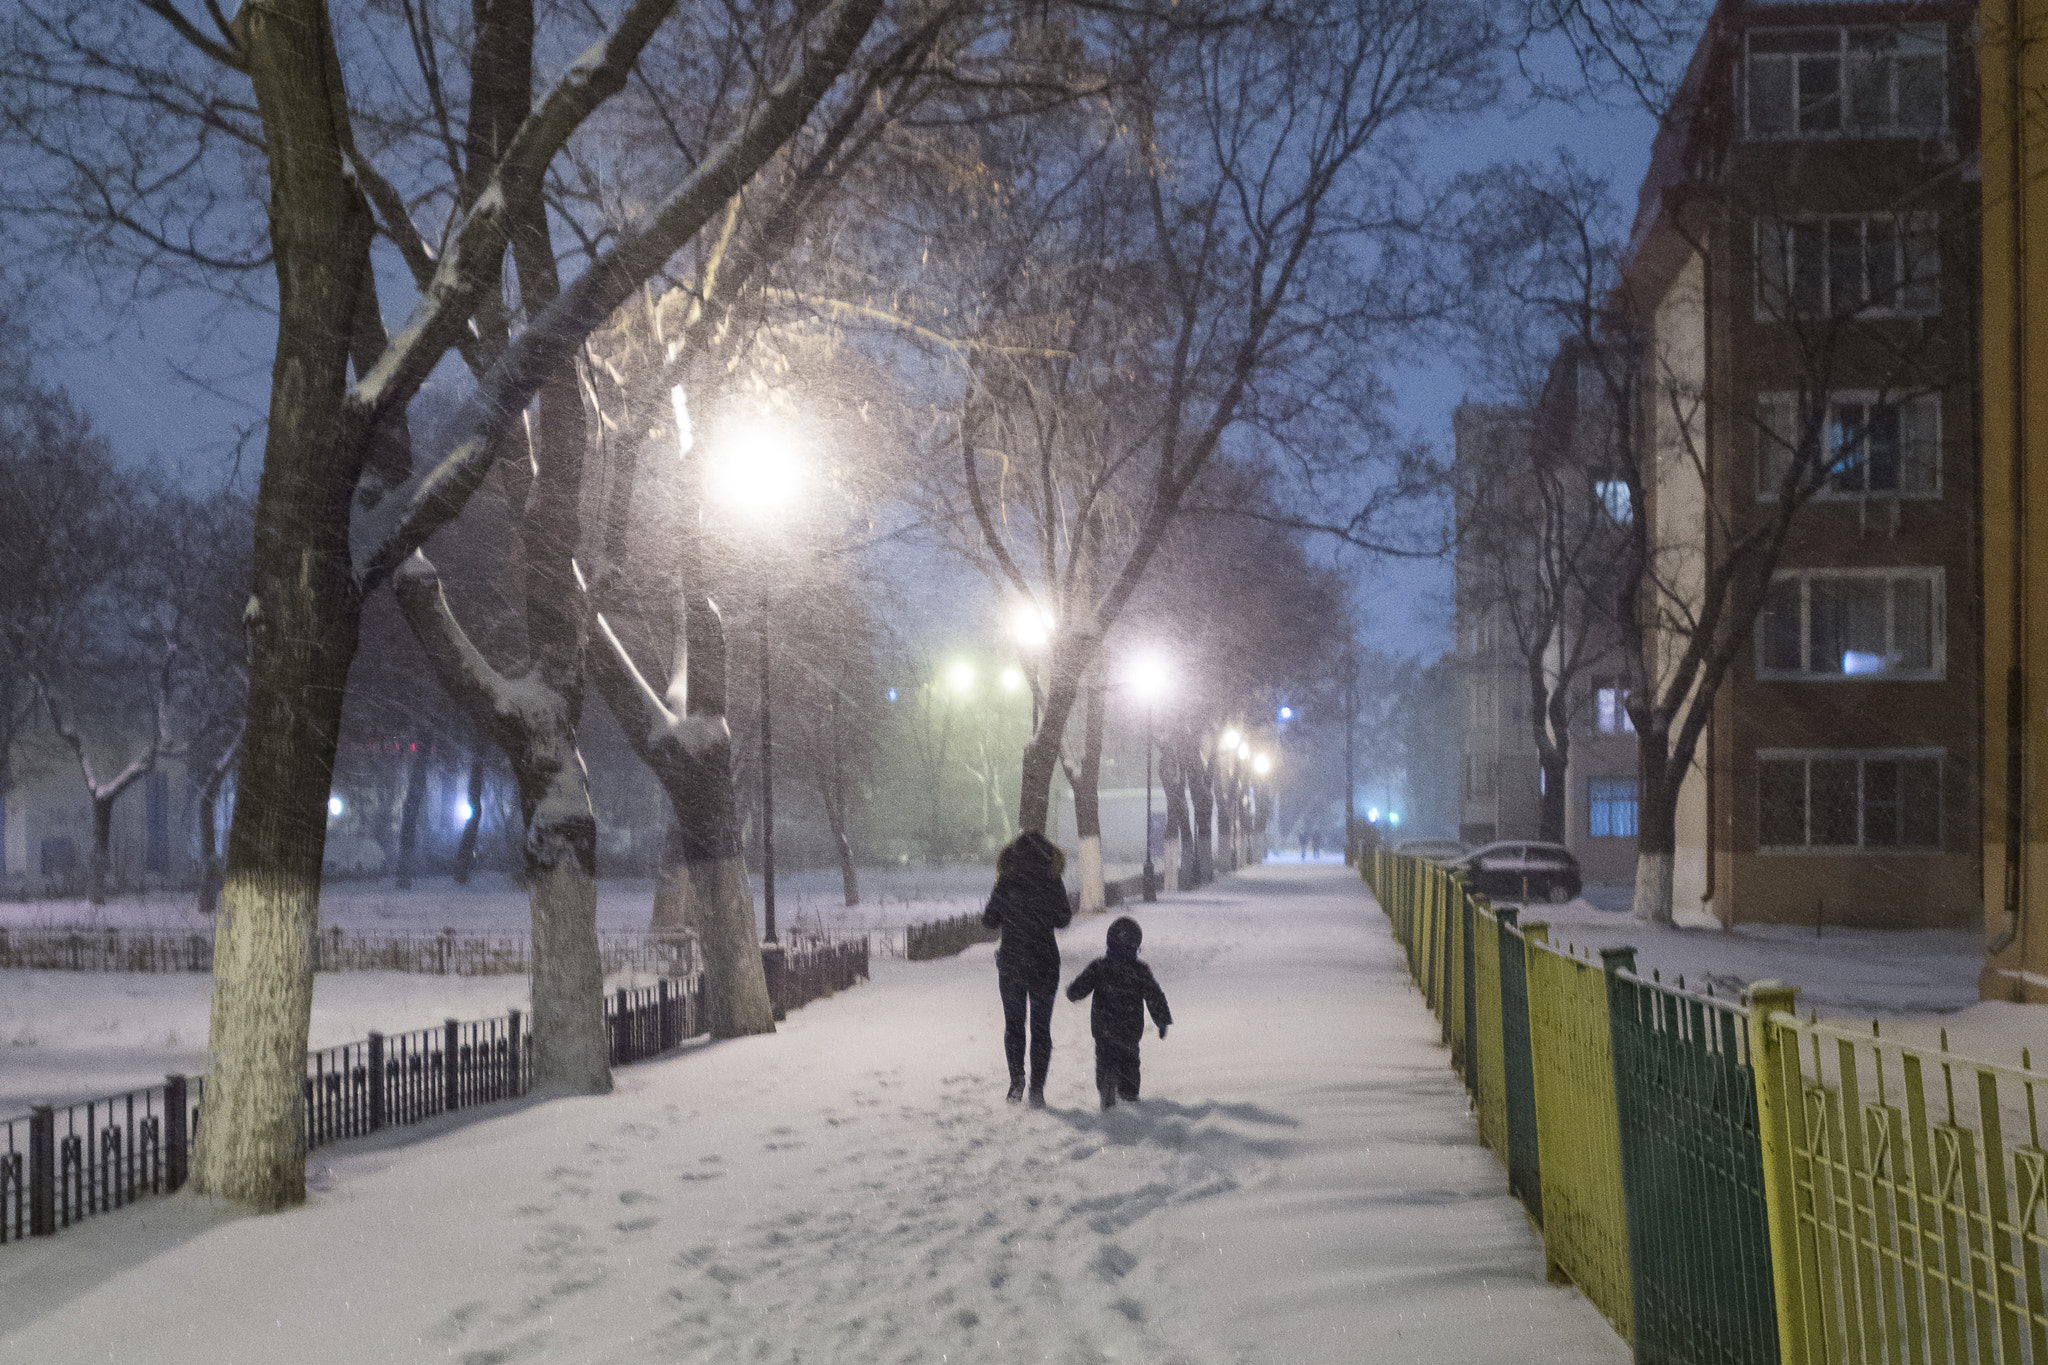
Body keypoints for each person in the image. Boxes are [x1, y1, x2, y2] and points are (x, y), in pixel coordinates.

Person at [981, 830, 1073, 1106]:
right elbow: (1063, 918)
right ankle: (1037, 1089)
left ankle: (1016, 1081)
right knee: (1041, 1028)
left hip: (1012, 963)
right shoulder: (1051, 880)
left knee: (1014, 1025)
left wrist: (1010, 910)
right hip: (1044, 963)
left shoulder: (1007, 881)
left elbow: (989, 921)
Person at [1065, 916, 1172, 1110]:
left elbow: (1079, 988)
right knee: (1130, 1063)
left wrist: (1072, 992)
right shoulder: (1139, 970)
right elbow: (1154, 996)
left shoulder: (1099, 967)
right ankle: (1129, 1095)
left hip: (1104, 1028)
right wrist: (1162, 1020)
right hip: (1129, 1030)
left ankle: (1107, 1085)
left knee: (1105, 1060)